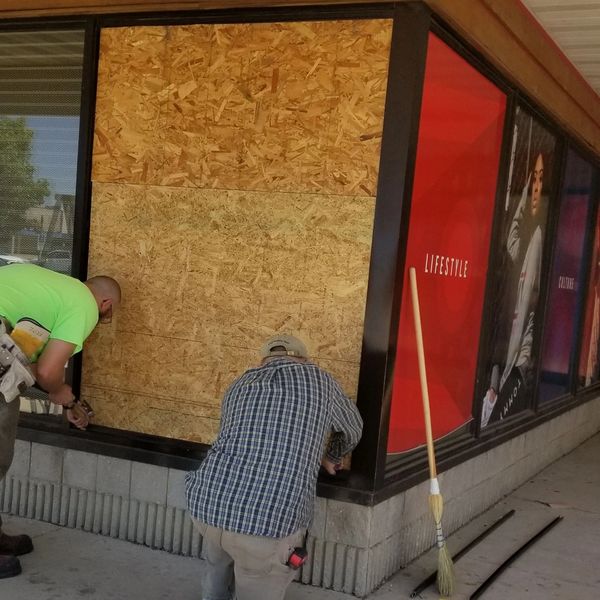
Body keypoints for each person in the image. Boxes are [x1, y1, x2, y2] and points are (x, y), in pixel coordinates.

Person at [185, 334, 363, 600]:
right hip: (265, 520)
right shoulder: (321, 382)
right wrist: (332, 456)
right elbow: (353, 428)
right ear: (303, 359)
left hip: (208, 504)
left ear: (264, 360)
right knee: (257, 579)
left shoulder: (240, 383)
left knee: (216, 573)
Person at [0, 263, 121, 579]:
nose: (105, 318)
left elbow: (39, 358)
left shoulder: (56, 290)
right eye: (110, 312)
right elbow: (49, 373)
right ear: (105, 303)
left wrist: (65, 398)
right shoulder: (84, 305)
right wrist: (61, 394)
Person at [481, 152, 546, 427]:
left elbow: (535, 299)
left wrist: (526, 350)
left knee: (501, 386)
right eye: (534, 179)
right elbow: (511, 238)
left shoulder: (540, 238)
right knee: (492, 384)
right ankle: (486, 412)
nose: (536, 188)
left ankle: (489, 415)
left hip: (518, 341)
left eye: (541, 180)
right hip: (504, 329)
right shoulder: (524, 238)